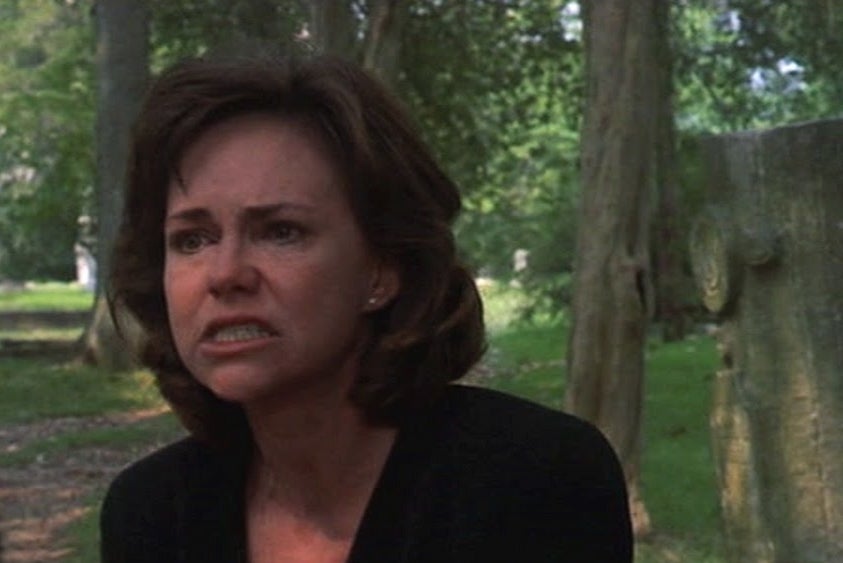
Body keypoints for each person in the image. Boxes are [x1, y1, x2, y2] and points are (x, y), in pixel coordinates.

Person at [100, 51, 633, 562]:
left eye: (281, 232)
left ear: (383, 268)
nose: (225, 275)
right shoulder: (151, 514)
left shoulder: (535, 481)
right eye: (192, 240)